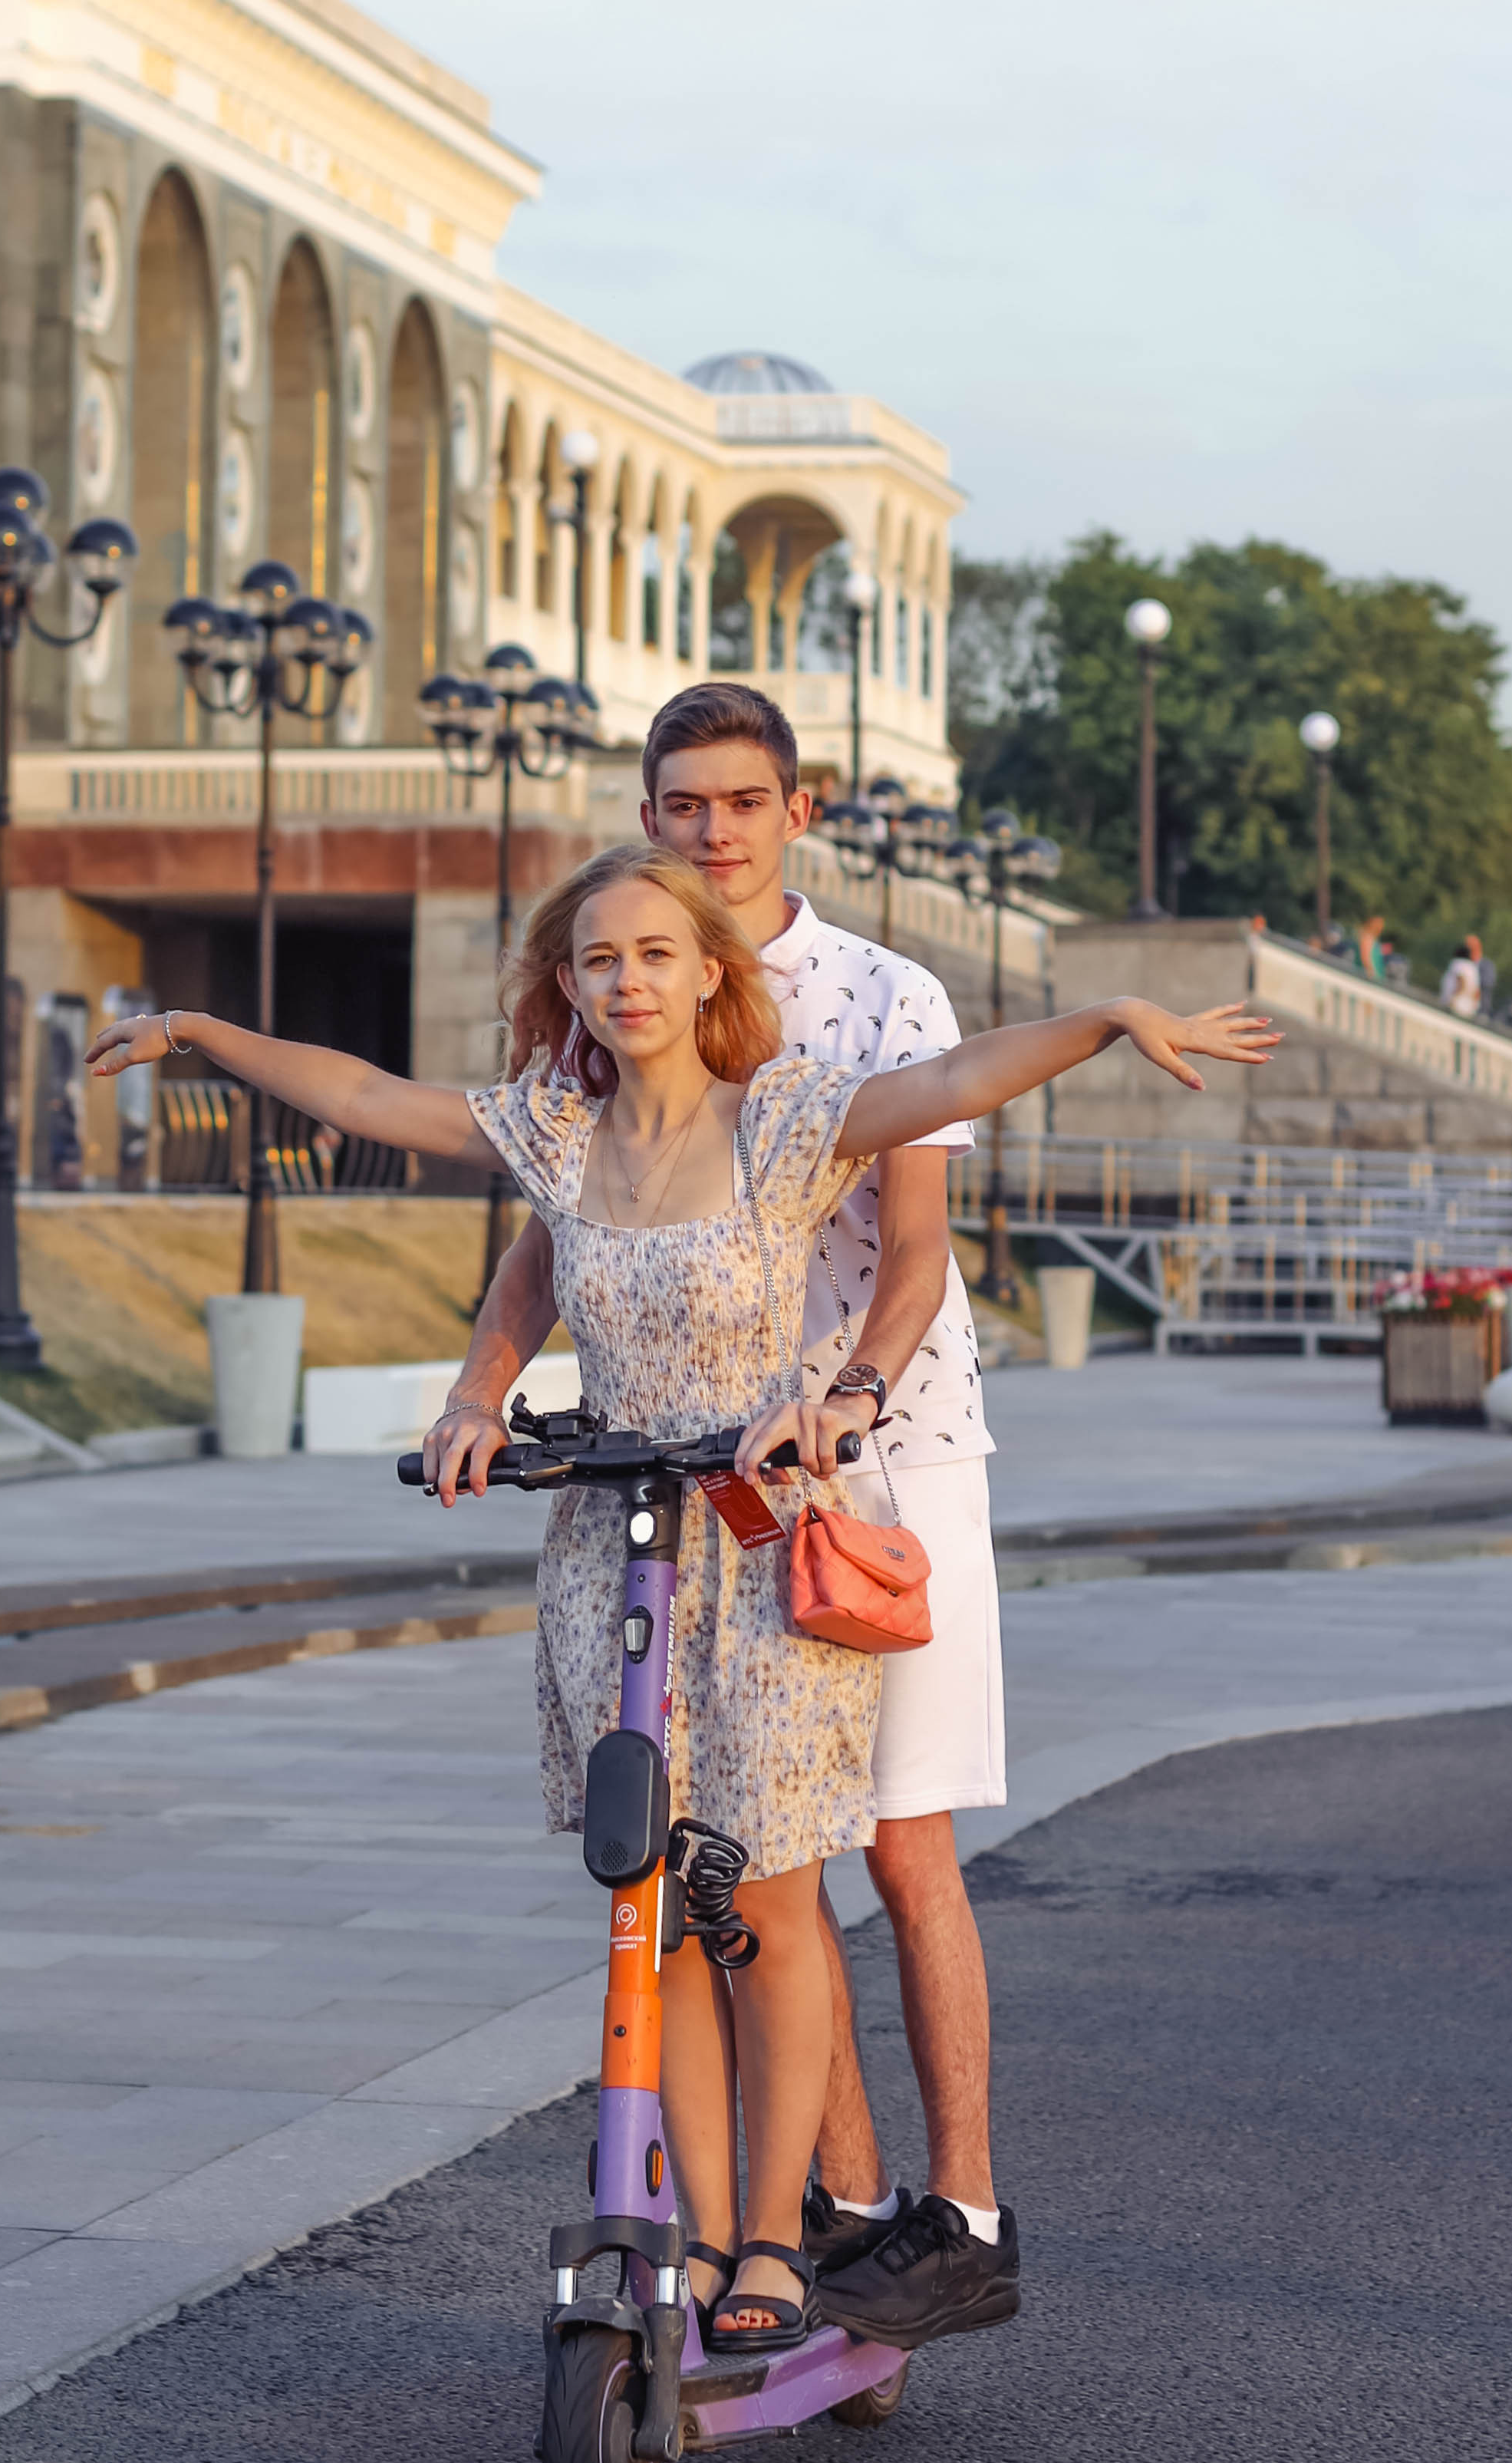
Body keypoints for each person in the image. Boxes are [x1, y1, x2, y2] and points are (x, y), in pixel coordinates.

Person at [88, 844, 1273, 2347]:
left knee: (766, 1907)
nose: (627, 980)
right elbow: (368, 1097)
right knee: (655, 1920)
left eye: (656, 953)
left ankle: (779, 2246)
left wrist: (1106, 1016)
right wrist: (199, 1038)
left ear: (711, 971)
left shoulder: (783, 1120)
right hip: (611, 1554)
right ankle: (711, 2245)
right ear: (568, 985)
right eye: (598, 960)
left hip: (760, 1539)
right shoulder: (556, 1130)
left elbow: (951, 1085)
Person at [430, 682, 1026, 2346]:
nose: (712, 829)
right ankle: (812, 2217)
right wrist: (484, 1383)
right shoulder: (622, 976)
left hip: (879, 1442)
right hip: (688, 1471)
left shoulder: (879, 993)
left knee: (899, 1839)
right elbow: (559, 1218)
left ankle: (958, 2208)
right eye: (681, 802)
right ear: (648, 810)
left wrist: (846, 1397)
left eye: (742, 801)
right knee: (751, 1861)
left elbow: (912, 1252)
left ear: (798, 808)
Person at [1441, 942, 1482, 1019]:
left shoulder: (1458, 963)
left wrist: (1454, 999)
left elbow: (1462, 981)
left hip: (1456, 1004)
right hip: (1467, 1006)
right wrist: (1474, 1005)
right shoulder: (1473, 968)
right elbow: (1477, 990)